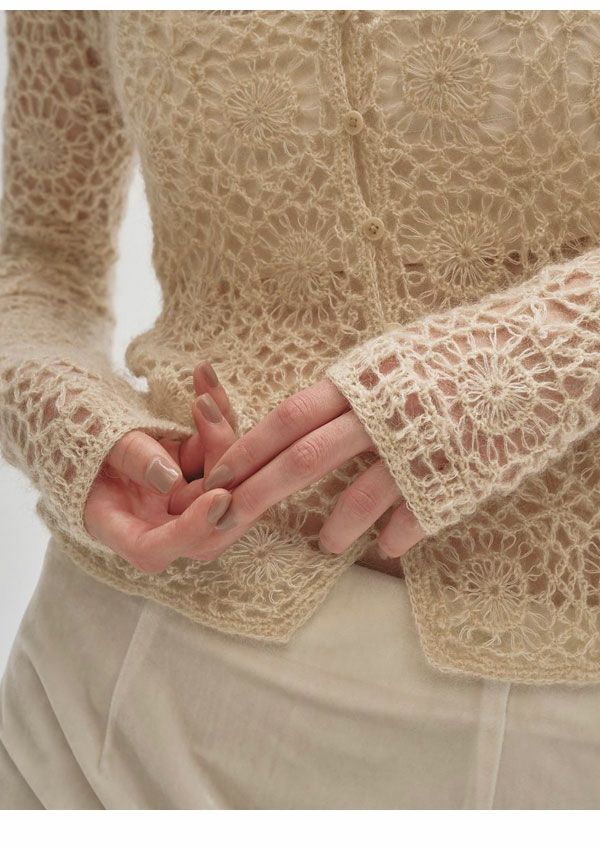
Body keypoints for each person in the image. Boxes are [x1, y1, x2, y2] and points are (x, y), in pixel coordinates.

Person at [3, 9, 600, 809]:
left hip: (547, 724)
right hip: (109, 692)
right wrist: (71, 419)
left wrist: (522, 366)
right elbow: (39, 256)